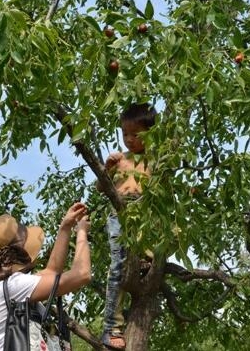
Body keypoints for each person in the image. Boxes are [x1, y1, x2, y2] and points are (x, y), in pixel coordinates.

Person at [0, 202, 91, 351]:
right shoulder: (14, 286)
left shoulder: (6, 288)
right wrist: (82, 232)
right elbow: (82, 274)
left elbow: (52, 272)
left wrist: (66, 227)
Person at [97, 102, 157, 350]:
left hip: (146, 215)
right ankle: (111, 327)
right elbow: (101, 189)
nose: (129, 139)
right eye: (125, 134)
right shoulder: (121, 160)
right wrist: (106, 169)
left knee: (147, 261)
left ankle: (144, 260)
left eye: (136, 134)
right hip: (120, 214)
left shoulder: (156, 161)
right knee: (118, 266)